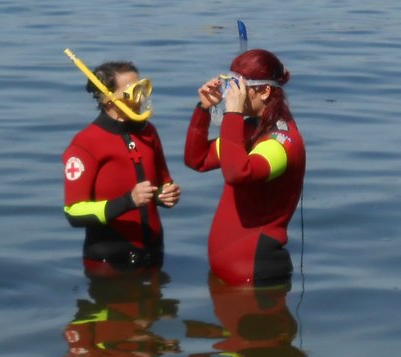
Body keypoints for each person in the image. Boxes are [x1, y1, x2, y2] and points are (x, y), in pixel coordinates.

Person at [184, 47, 304, 287]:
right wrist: (203, 109)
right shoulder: (250, 130)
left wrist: (233, 115)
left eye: (237, 87)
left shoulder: (283, 141)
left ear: (265, 91)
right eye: (229, 85)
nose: (230, 95)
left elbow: (238, 173)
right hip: (228, 275)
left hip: (256, 275)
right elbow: (196, 159)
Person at [62, 59, 180, 272]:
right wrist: (128, 201)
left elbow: (163, 183)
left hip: (153, 252)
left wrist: (166, 194)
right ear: (108, 99)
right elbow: (74, 212)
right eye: (132, 92)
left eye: (142, 89)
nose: (140, 98)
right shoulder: (86, 143)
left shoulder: (148, 132)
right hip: (109, 261)